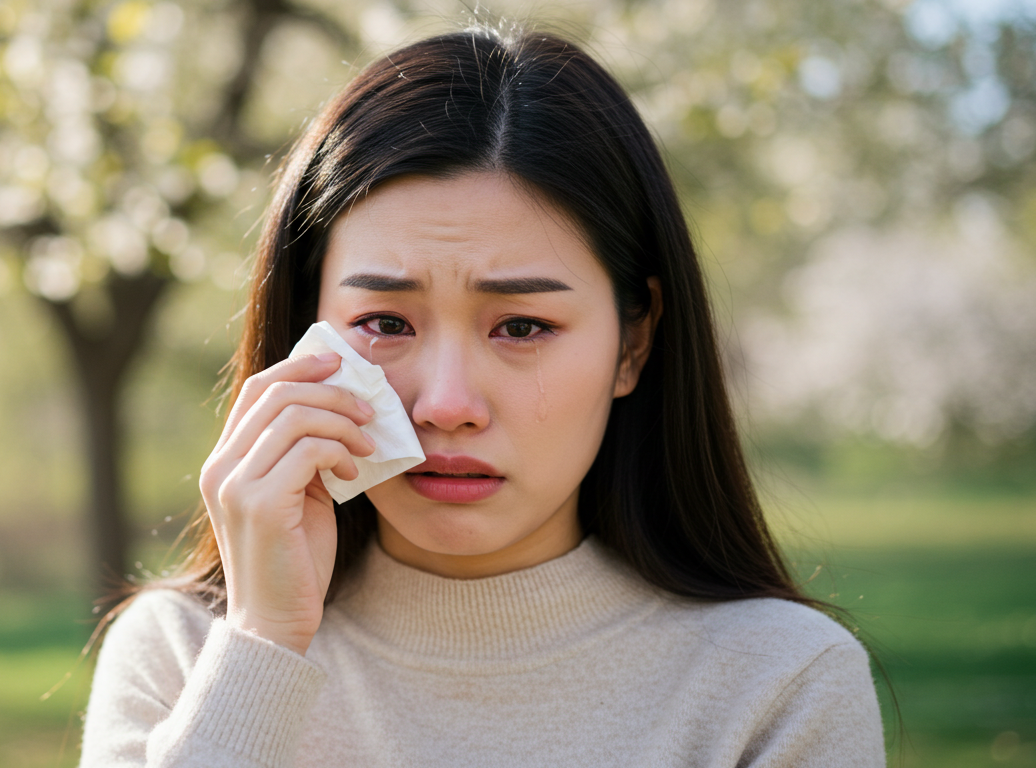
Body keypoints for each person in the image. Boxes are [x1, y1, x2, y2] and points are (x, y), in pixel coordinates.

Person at [79, 26, 886, 768]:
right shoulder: (180, 656)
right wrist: (261, 646)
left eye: (523, 327)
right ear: (306, 329)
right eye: (386, 321)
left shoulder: (779, 684)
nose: (448, 402)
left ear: (633, 343)